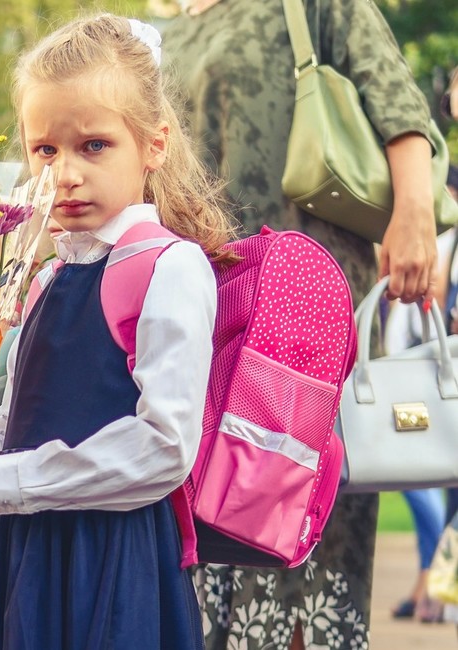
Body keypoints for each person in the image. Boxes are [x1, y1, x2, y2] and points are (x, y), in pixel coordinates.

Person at [0, 13, 235, 648]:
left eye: (94, 145)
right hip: (23, 556)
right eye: (45, 149)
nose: (64, 173)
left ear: (154, 145)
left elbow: (164, 448)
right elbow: (31, 418)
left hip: (107, 564)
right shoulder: (44, 277)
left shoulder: (167, 266)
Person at [162, 2, 439, 648]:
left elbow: (401, 106)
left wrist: (416, 215)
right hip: (206, 324)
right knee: (204, 559)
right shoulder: (166, 32)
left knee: (303, 565)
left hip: (305, 327)